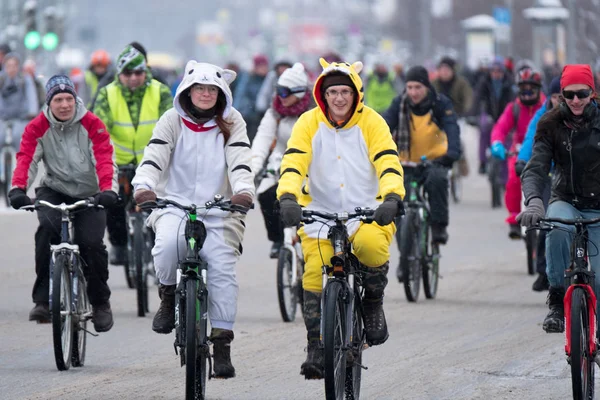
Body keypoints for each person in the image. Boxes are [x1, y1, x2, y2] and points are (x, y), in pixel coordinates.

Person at [277, 57, 405, 379]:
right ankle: (315, 347)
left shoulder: (372, 122)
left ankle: (373, 302)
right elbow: (294, 161)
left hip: (368, 211)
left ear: (356, 94)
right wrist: (288, 196)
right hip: (320, 211)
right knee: (311, 273)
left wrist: (391, 196)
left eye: (345, 92)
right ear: (322, 94)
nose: (338, 98)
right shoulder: (308, 122)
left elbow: (388, 160)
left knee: (372, 249)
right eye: (332, 92)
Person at [131, 60, 254, 378]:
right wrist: (144, 187)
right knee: (167, 246)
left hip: (220, 210)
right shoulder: (171, 120)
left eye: (212, 89)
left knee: (222, 267)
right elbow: (154, 156)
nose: (205, 94)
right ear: (187, 90)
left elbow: (240, 158)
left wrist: (242, 192)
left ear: (221, 92)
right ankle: (168, 295)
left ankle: (222, 343)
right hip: (174, 204)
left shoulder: (232, 120)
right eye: (199, 88)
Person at [8, 75, 118, 331]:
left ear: (75, 98)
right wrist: (18, 189)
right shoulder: (37, 126)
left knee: (91, 244)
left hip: (91, 193)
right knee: (47, 232)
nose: (65, 104)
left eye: (69, 98)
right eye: (58, 99)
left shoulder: (92, 123)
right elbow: (27, 159)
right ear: (49, 103)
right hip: (54, 190)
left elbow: (104, 158)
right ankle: (42, 301)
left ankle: (100, 303)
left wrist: (107, 191)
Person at [518, 64, 600, 334]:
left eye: (582, 93)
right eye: (569, 94)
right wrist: (533, 201)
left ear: (592, 93)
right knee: (555, 229)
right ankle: (556, 300)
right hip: (565, 198)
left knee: (598, 279)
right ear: (561, 94)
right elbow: (536, 168)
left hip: (598, 205)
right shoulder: (550, 122)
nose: (576, 100)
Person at [93, 44, 173, 266]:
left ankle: (161, 249)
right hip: (119, 160)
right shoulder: (107, 93)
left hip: (154, 159)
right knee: (114, 202)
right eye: (128, 73)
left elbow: (172, 123)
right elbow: (99, 127)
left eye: (138, 72)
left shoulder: (160, 91)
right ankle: (118, 245)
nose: (134, 78)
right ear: (120, 74)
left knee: (161, 205)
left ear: (145, 72)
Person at [383, 65, 461, 247]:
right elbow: (384, 126)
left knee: (438, 181)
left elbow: (452, 128)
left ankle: (438, 226)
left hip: (434, 161)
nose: (414, 92)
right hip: (405, 162)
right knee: (398, 201)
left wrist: (452, 153)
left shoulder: (440, 104)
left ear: (427, 87)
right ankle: (405, 252)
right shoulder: (399, 104)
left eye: (418, 87)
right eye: (410, 87)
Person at [252, 62, 311, 258]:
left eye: (285, 92)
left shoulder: (314, 114)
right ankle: (278, 239)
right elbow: (262, 139)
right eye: (279, 91)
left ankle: (308, 238)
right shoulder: (274, 112)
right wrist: (252, 168)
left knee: (308, 202)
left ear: (300, 92)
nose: (280, 97)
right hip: (280, 163)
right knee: (265, 194)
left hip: (309, 165)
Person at [515, 76, 561, 292]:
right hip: (548, 174)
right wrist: (522, 161)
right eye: (556, 97)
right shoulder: (543, 116)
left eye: (566, 96)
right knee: (547, 222)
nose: (562, 101)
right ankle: (544, 271)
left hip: (579, 179)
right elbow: (530, 140)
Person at [490, 67, 546, 239]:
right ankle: (514, 218)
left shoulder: (546, 106)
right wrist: (497, 143)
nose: (527, 94)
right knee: (513, 180)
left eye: (531, 90)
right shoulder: (513, 107)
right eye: (523, 90)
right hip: (518, 151)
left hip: (544, 151)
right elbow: (500, 127)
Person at [469, 57, 515, 174]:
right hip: (489, 114)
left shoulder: (509, 84)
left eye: (499, 71)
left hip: (505, 116)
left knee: (508, 141)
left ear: (503, 71)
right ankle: (483, 162)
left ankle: (507, 172)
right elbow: (477, 99)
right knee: (484, 130)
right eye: (493, 71)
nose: (496, 74)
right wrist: (473, 115)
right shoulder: (484, 82)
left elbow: (513, 102)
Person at [0, 52, 39, 168]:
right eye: (8, 66)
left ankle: (21, 169)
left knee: (20, 139)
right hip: (3, 117)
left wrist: (32, 113)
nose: (11, 69)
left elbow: (32, 97)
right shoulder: (1, 80)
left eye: (14, 66)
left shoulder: (24, 80)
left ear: (18, 67)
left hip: (21, 118)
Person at [233, 54, 270, 143]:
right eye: (260, 66)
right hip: (250, 115)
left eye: (264, 66)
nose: (263, 68)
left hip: (264, 115)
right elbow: (240, 95)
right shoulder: (248, 78)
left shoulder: (269, 78)